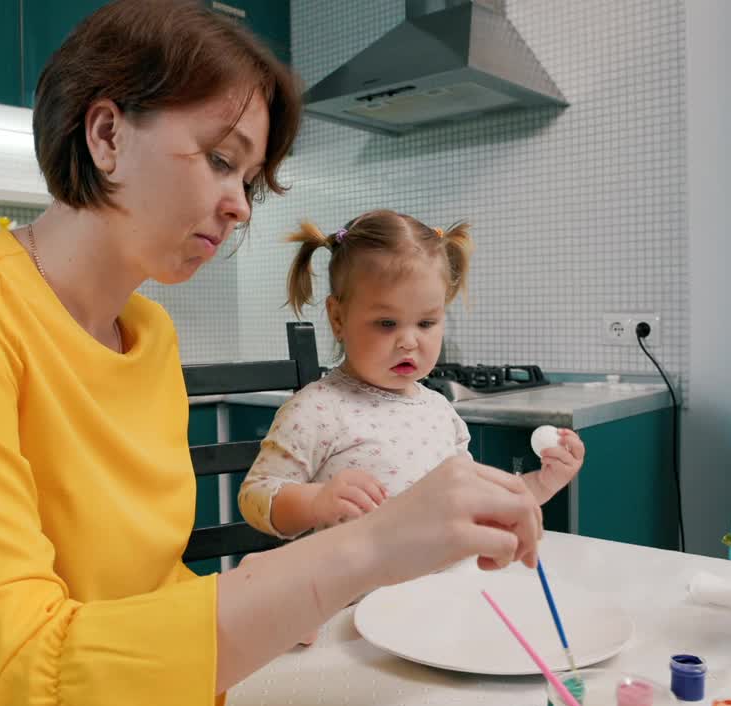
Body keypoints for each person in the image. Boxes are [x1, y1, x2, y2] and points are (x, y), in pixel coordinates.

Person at [0, 2, 546, 706]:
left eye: (247, 179)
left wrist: (280, 606)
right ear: (107, 134)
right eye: (221, 159)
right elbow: (8, 682)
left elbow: (142, 588)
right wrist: (358, 552)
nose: (243, 204)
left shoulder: (148, 335)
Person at [239, 212, 585, 543]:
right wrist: (315, 501)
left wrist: (543, 482)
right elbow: (255, 495)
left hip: (440, 593)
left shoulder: (438, 409)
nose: (409, 341)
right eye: (387, 323)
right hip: (358, 600)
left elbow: (476, 501)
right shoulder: (317, 409)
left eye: (426, 323)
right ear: (338, 318)